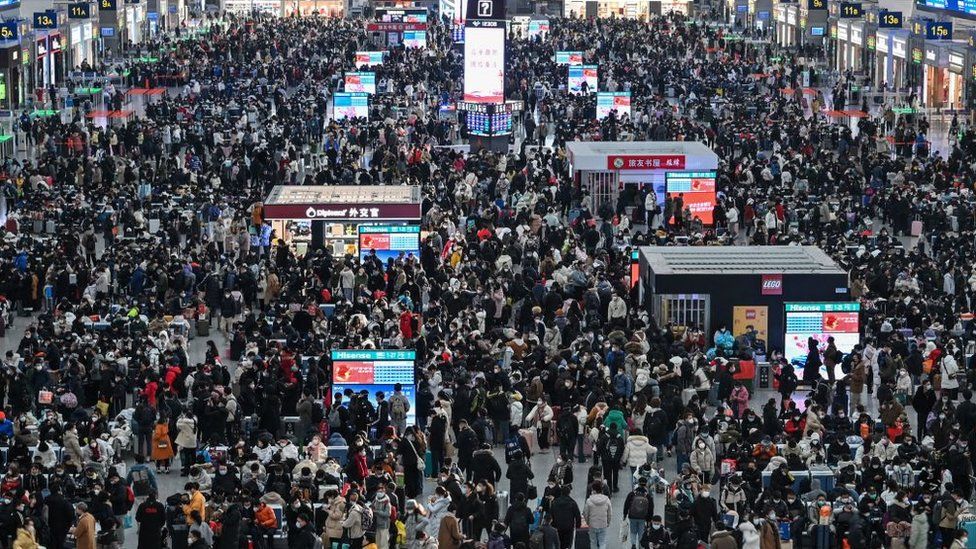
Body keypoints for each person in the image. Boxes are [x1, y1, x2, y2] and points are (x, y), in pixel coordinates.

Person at [583, 481, 612, 549]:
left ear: (593, 490)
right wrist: (608, 522)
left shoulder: (589, 500)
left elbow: (586, 513)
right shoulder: (606, 500)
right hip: (603, 524)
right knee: (602, 542)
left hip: (592, 524)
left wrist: (588, 522)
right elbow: (610, 513)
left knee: (593, 542)